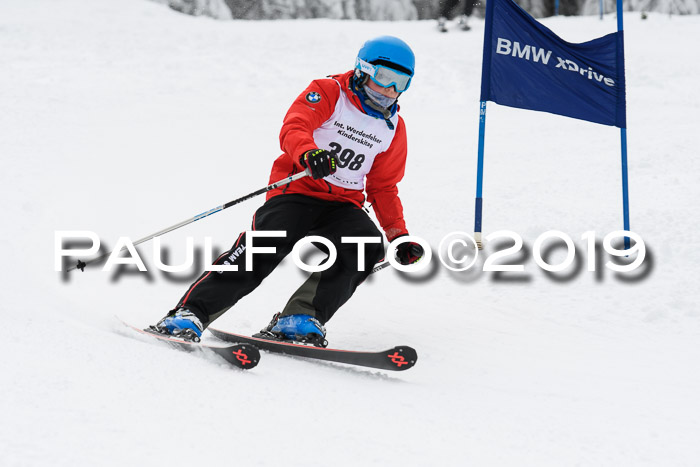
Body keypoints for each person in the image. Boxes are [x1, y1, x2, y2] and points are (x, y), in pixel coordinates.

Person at [152, 36, 424, 347]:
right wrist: (309, 153)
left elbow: (384, 186)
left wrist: (398, 235)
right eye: (384, 78)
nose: (390, 90)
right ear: (363, 70)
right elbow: (295, 126)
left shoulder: (392, 127)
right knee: (266, 245)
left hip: (342, 205)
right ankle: (191, 312)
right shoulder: (329, 92)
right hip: (297, 191)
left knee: (364, 245)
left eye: (401, 83)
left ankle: (300, 317)